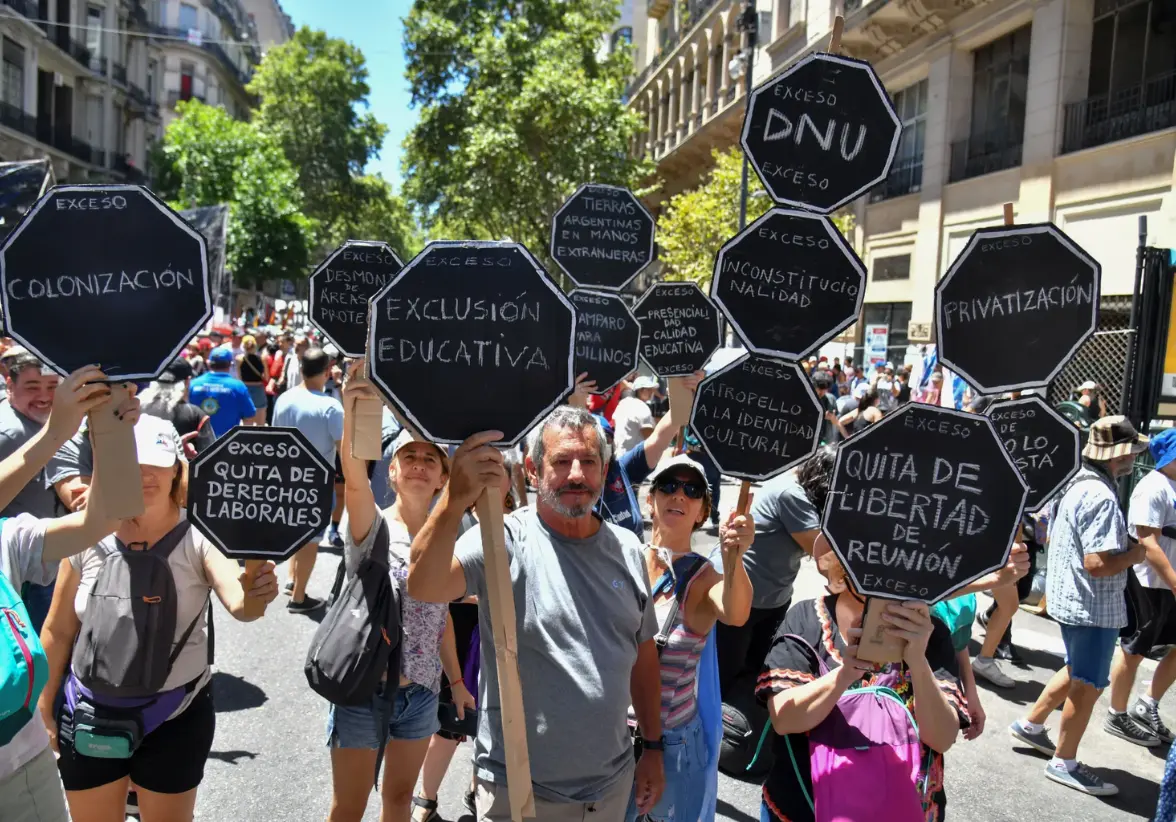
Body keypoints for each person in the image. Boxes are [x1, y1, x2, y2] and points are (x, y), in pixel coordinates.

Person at [407, 406, 664, 822]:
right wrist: (454, 500)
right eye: (561, 462)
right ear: (532, 469)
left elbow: (643, 657)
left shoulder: (629, 550)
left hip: (611, 788)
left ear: (604, 470)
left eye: (588, 462)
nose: (576, 475)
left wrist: (652, 747)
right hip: (519, 792)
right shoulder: (503, 540)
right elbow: (423, 586)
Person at [37, 413, 278, 822]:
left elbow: (242, 606)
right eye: (131, 464)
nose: (144, 475)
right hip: (88, 712)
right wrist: (42, 710)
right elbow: (58, 631)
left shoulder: (200, 536)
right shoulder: (84, 534)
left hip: (176, 715)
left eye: (156, 464)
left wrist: (258, 586)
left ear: (176, 471)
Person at [329, 370, 474, 822]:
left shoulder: (447, 538)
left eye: (430, 459)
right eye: (407, 456)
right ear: (390, 472)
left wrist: (456, 682)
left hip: (422, 694)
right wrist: (355, 413)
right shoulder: (370, 526)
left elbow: (441, 617)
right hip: (362, 691)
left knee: (397, 803)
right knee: (348, 809)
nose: (418, 463)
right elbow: (353, 479)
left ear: (441, 480)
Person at [0, 366, 138, 822]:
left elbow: (102, 519)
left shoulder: (7, 538)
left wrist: (111, 431)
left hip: (25, 765)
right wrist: (57, 432)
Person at [757, 536, 966, 822]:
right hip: (804, 808)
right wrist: (844, 675)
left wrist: (917, 661)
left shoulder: (932, 634)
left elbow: (941, 737)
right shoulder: (806, 619)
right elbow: (784, 719)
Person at [1009, 416, 1150, 796]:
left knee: (1078, 669)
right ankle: (1064, 761)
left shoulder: (1077, 481)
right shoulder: (1101, 495)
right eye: (1132, 451)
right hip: (1091, 604)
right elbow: (1098, 563)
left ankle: (1032, 725)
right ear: (1118, 455)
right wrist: (1136, 553)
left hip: (1073, 598)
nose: (1135, 458)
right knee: (1088, 684)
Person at [626, 454, 753, 822]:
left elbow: (736, 611)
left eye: (692, 490)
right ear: (650, 500)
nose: (679, 495)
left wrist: (734, 559)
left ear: (701, 512)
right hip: (611, 739)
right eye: (668, 485)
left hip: (672, 745)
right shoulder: (623, 558)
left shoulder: (704, 578)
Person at [717, 450, 829, 693]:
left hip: (771, 597)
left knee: (755, 671)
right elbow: (825, 555)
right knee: (727, 674)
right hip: (746, 597)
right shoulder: (792, 494)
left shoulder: (793, 488)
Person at [1105, 428, 1176, 747]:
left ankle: (1148, 705)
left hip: (1170, 583)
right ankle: (1116, 713)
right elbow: (1147, 540)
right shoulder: (1153, 487)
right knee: (1135, 647)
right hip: (1151, 581)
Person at [568, 372, 697, 539]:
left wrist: (684, 392)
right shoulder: (571, 485)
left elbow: (658, 439)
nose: (598, 447)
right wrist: (576, 405)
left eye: (605, 439)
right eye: (591, 442)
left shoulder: (622, 469)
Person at [273, 347, 344, 614]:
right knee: (312, 538)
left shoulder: (284, 399)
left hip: (286, 476)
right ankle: (299, 597)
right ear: (327, 372)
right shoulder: (330, 406)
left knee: (296, 531)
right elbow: (342, 447)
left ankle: (292, 579)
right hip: (316, 482)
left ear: (301, 370)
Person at [0, 348, 62, 520]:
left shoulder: (46, 421)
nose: (44, 397)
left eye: (52, 387)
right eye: (32, 387)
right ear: (11, 386)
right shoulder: (10, 435)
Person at [137, 358, 216, 459]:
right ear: (187, 381)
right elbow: (211, 455)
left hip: (137, 472)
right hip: (181, 473)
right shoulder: (194, 414)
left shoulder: (135, 408)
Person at [187, 347, 256, 438]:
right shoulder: (238, 387)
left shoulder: (193, 384)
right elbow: (249, 417)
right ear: (230, 364)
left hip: (197, 443)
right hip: (226, 444)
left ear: (209, 363)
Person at [613, 376, 658, 456]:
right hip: (633, 459)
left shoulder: (623, 403)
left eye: (651, 389)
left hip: (618, 455)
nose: (651, 392)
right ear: (640, 391)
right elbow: (650, 438)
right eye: (648, 389)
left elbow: (614, 422)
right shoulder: (642, 407)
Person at [236, 335, 268, 425]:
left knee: (247, 422)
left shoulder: (239, 359)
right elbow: (266, 377)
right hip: (258, 389)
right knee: (260, 423)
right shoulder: (262, 358)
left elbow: (239, 378)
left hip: (245, 389)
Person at [811, 370, 846, 444]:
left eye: (825, 389)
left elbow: (836, 422)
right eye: (820, 389)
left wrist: (832, 418)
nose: (822, 393)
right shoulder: (807, 399)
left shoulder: (831, 399)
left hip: (826, 442)